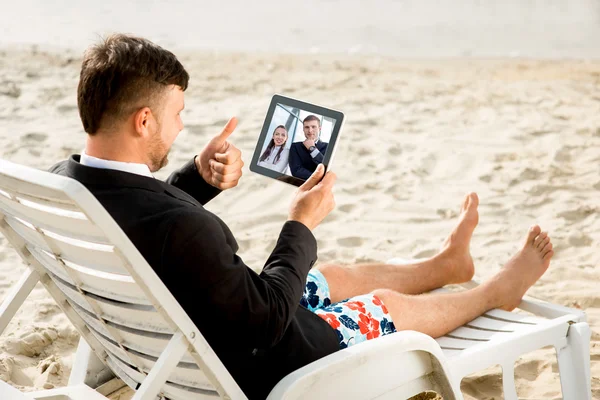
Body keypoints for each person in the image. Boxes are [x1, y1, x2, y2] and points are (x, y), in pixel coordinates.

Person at [50, 34, 554, 400]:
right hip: (257, 359)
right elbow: (266, 320)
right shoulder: (178, 229)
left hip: (175, 338)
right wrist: (301, 223)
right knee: (381, 305)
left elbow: (140, 217)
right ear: (143, 120)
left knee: (331, 277)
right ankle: (494, 294)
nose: (181, 128)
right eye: (177, 114)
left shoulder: (68, 186)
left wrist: (198, 178)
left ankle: (446, 266)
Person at [288, 115, 328, 179]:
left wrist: (312, 149)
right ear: (303, 129)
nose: (310, 130)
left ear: (319, 129)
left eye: (313, 127)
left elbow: (326, 167)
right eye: (307, 127)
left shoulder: (328, 147)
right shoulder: (295, 147)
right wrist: (319, 178)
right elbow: (296, 171)